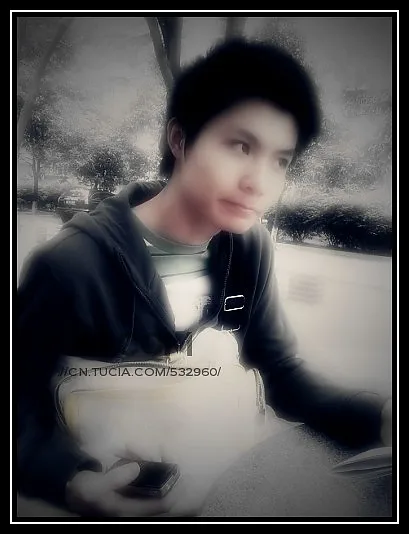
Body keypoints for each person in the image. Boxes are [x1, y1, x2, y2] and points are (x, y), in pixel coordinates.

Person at [17, 37, 392, 518]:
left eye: (280, 160)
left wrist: (379, 416)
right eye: (241, 146)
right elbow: (19, 404)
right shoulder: (69, 265)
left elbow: (279, 373)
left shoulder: (249, 248)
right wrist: (73, 481)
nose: (260, 181)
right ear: (180, 139)